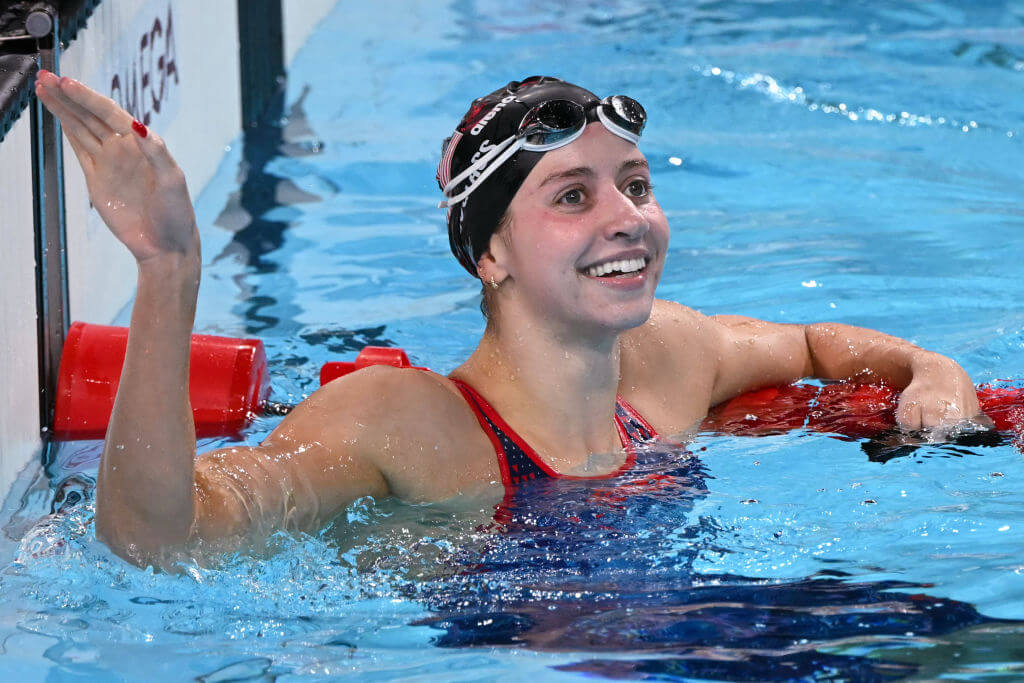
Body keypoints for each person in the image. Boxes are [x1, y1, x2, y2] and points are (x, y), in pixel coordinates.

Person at [33, 71, 982, 568]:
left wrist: (930, 369)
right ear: (489, 255)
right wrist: (170, 271)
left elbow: (817, 345)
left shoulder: (665, 361)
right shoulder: (402, 422)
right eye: (574, 197)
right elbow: (158, 542)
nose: (628, 218)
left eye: (637, 186)